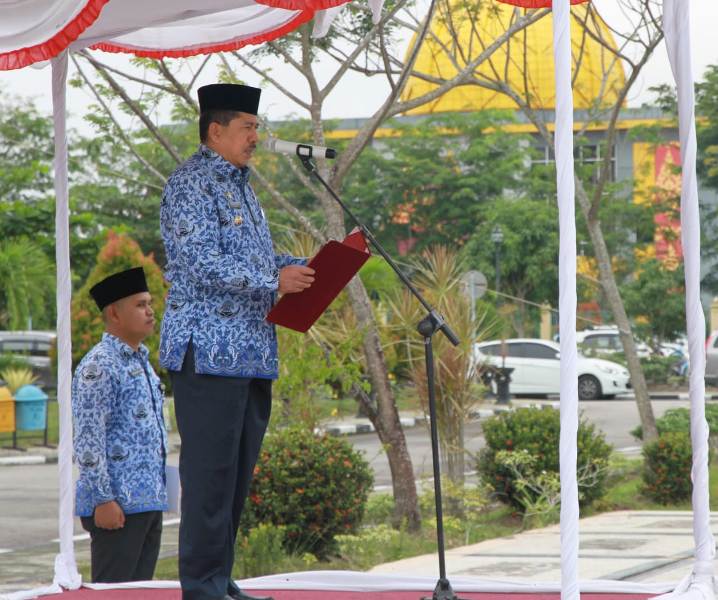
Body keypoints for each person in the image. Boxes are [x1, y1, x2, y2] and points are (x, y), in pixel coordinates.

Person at [159, 83, 315, 600]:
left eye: (257, 126)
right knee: (208, 477)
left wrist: (296, 268)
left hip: (251, 352)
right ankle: (200, 587)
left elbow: (249, 261)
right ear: (216, 130)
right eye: (248, 126)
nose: (256, 136)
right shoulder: (191, 184)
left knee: (234, 479)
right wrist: (274, 281)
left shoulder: (243, 186)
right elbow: (199, 261)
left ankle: (219, 580)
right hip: (207, 352)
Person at [72, 266, 168, 583]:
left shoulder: (140, 360)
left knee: (140, 591)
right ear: (114, 313)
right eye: (140, 305)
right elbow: (87, 440)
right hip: (117, 506)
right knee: (114, 590)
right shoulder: (99, 365)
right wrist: (103, 499)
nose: (150, 311)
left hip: (147, 502)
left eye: (150, 303)